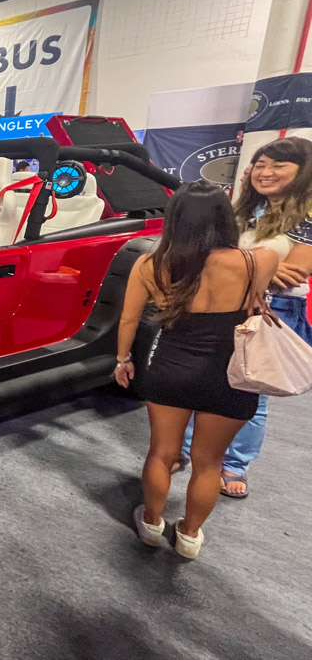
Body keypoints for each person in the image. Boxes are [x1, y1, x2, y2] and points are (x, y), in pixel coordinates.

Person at [115, 180, 277, 559]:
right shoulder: (261, 260)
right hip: (231, 375)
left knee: (161, 453)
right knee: (210, 463)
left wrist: (124, 360)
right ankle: (189, 535)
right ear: (226, 217)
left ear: (175, 219)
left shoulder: (151, 264)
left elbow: (129, 320)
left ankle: (152, 522)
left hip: (171, 370)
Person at [177, 138, 312, 498]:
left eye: (279, 166)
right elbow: (210, 254)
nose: (266, 173)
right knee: (200, 380)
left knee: (251, 392)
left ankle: (235, 464)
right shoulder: (243, 211)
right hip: (222, 303)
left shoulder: (307, 215)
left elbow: (295, 273)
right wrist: (265, 267)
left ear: (303, 171)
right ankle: (189, 450)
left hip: (271, 310)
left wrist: (245, 266)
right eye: (261, 164)